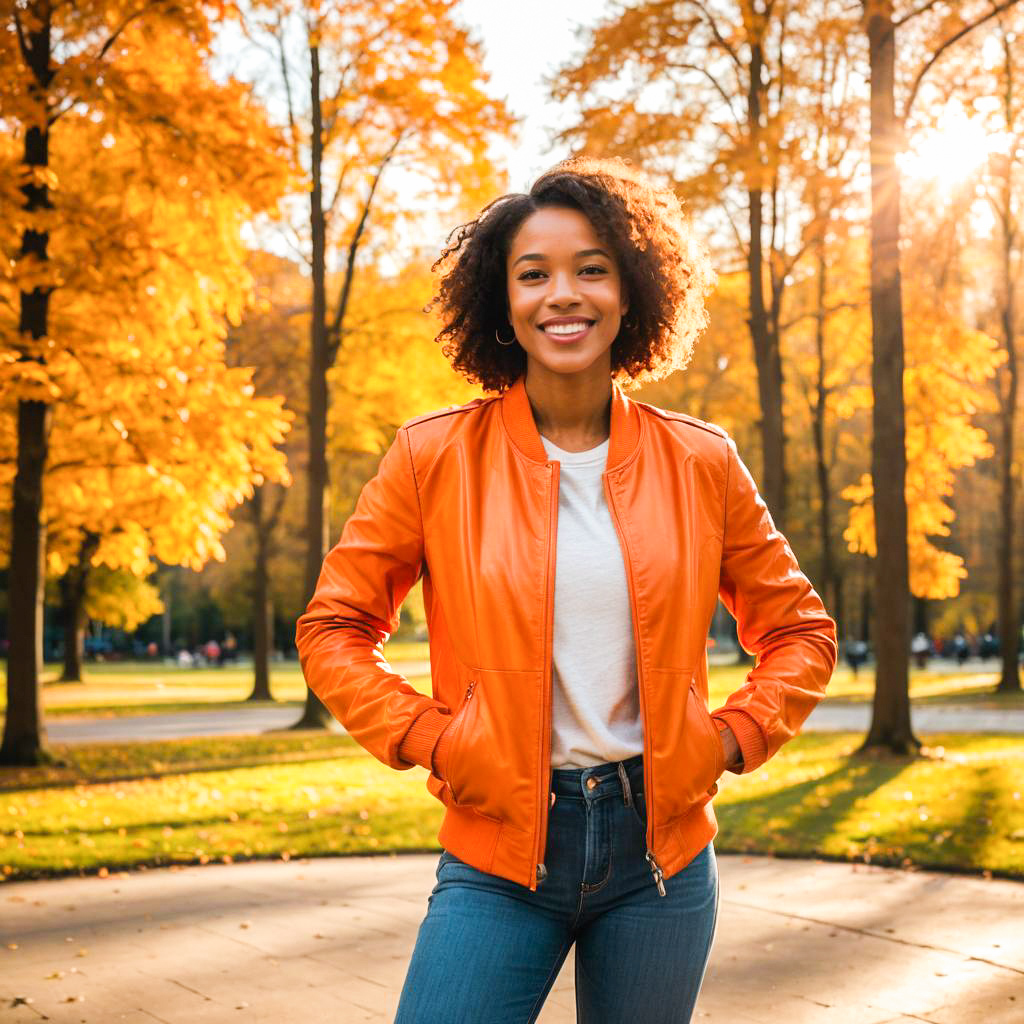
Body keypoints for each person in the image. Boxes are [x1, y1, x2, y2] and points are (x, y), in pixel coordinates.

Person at [295, 157, 838, 1024]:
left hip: (660, 862)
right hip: (500, 858)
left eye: (591, 268)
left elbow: (802, 630)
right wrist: (432, 740)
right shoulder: (433, 458)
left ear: (632, 292)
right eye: (534, 273)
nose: (564, 295)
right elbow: (334, 625)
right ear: (502, 303)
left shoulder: (700, 461)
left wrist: (732, 737)